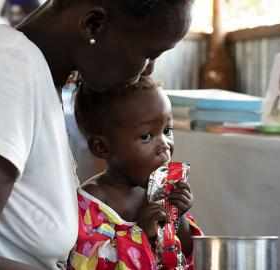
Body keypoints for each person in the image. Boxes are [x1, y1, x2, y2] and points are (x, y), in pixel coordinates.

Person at [0, 0, 193, 269]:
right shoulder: (3, 68)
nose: (148, 70)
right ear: (93, 24)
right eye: (148, 54)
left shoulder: (38, 77)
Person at [69, 77, 202, 269]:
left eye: (167, 130)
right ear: (102, 147)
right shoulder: (90, 205)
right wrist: (141, 235)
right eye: (146, 136)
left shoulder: (159, 196)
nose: (165, 145)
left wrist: (179, 220)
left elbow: (187, 260)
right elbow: (88, 264)